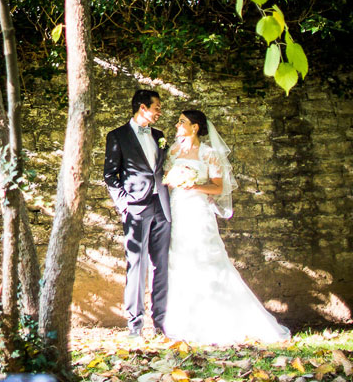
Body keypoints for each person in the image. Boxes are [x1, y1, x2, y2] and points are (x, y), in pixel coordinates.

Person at [161, 109, 291, 344]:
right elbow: (167, 180)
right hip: (178, 212)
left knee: (209, 260)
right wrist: (175, 180)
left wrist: (193, 186)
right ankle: (184, 321)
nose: (177, 125)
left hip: (199, 213)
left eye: (182, 122)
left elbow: (218, 188)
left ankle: (222, 319)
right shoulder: (173, 150)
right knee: (179, 261)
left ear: (195, 127)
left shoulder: (209, 154)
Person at [103, 89, 171, 337]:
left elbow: (162, 168)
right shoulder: (117, 136)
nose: (159, 112)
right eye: (157, 107)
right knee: (137, 266)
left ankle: (161, 323)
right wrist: (124, 204)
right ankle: (135, 325)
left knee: (161, 265)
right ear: (142, 108)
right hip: (137, 208)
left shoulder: (160, 136)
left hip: (162, 206)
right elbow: (110, 175)